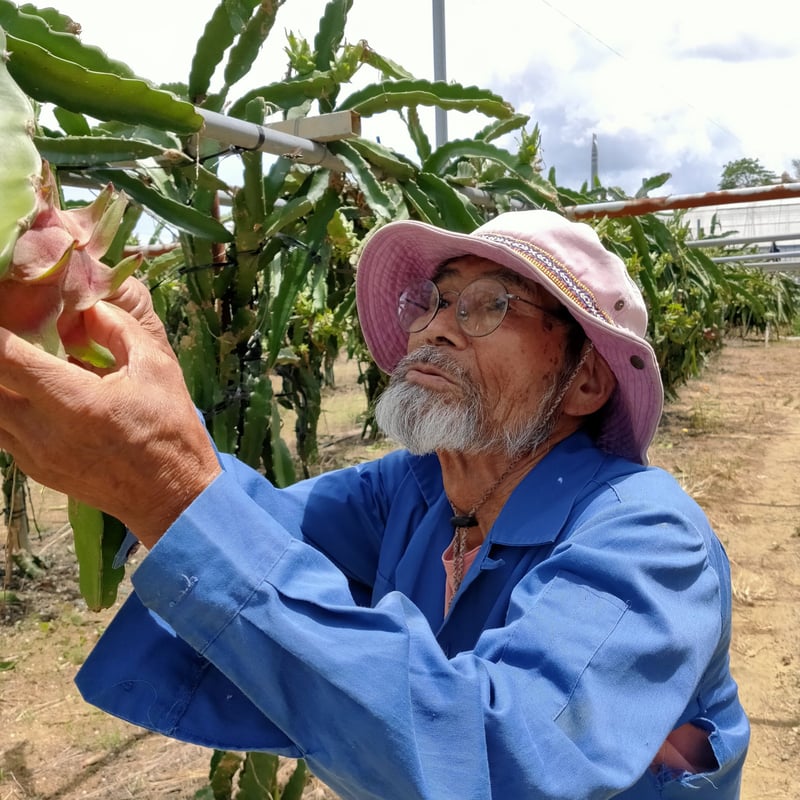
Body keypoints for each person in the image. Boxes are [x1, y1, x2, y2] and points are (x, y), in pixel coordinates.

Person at [0, 209, 749, 799]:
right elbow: (244, 526)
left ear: (585, 384)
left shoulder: (649, 537)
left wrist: (161, 480)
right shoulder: (414, 491)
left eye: (490, 304)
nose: (434, 327)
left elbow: (501, 761)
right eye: (434, 299)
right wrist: (101, 359)